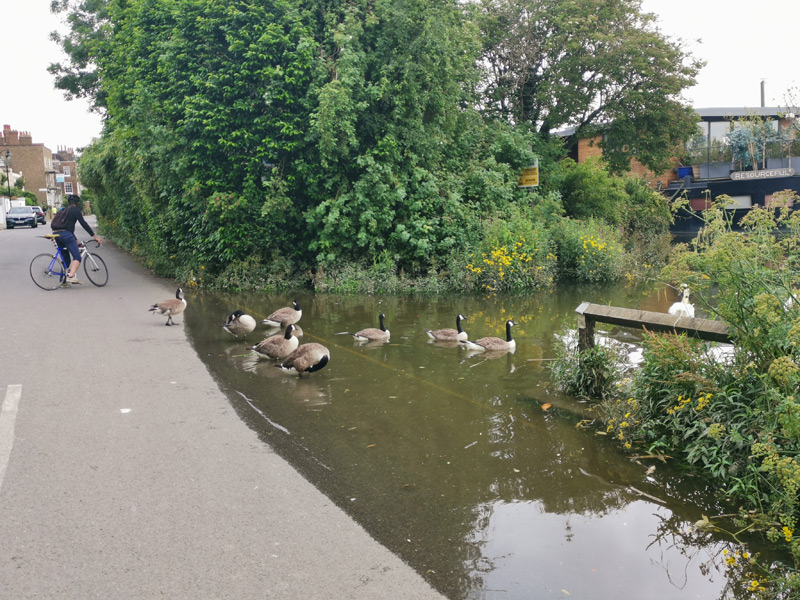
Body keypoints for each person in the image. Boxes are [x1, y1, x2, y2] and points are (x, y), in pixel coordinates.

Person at [52, 194, 102, 285]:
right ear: (77, 203)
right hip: (66, 235)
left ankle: (63, 282)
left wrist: (77, 242)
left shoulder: (63, 210)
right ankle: (71, 276)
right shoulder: (75, 211)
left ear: (68, 202)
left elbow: (68, 230)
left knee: (66, 259)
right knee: (77, 257)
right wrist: (95, 237)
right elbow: (84, 224)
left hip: (56, 234)